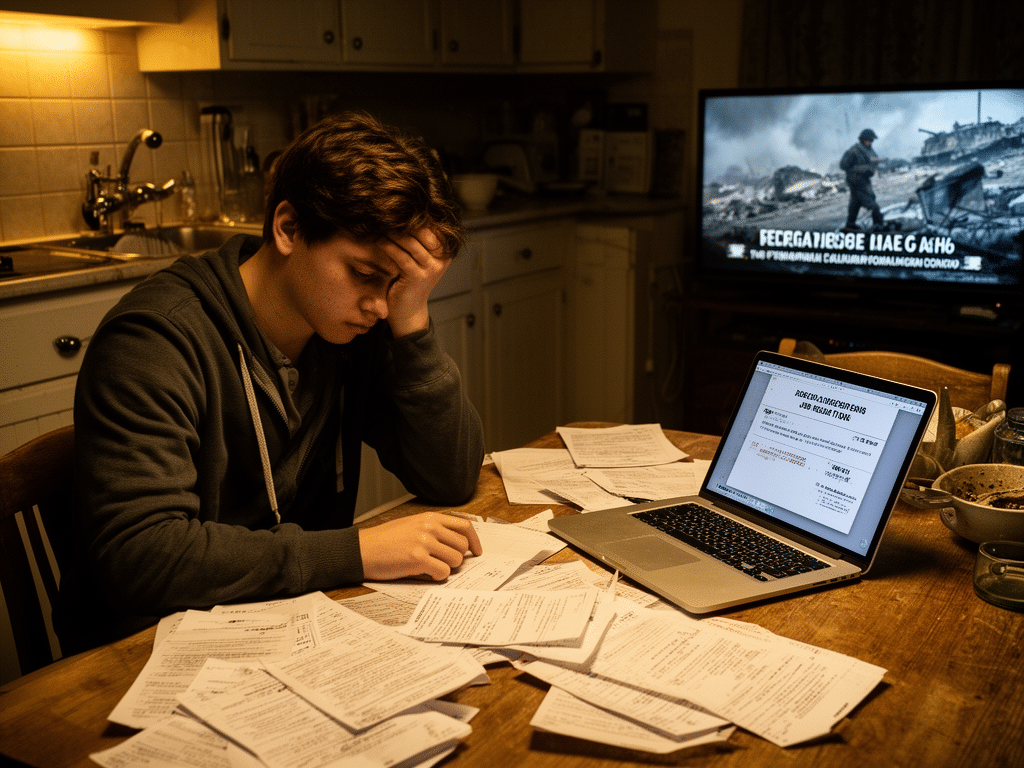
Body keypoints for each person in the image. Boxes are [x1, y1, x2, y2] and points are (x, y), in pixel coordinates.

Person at [56, 111, 485, 652]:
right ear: (288, 228)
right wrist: (354, 552)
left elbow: (450, 476)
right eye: (364, 273)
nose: (379, 304)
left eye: (397, 283)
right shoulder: (155, 340)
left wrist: (414, 320)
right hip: (140, 652)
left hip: (288, 624)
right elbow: (141, 557)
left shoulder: (354, 326)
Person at [840, 128, 885, 232]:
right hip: (856, 180)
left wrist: (880, 162)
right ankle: (878, 224)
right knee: (870, 201)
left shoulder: (869, 149)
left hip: (864, 180)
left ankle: (850, 224)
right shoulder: (854, 151)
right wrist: (860, 169)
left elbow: (874, 159)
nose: (871, 142)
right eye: (869, 140)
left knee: (855, 202)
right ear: (863, 139)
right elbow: (843, 165)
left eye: (872, 140)